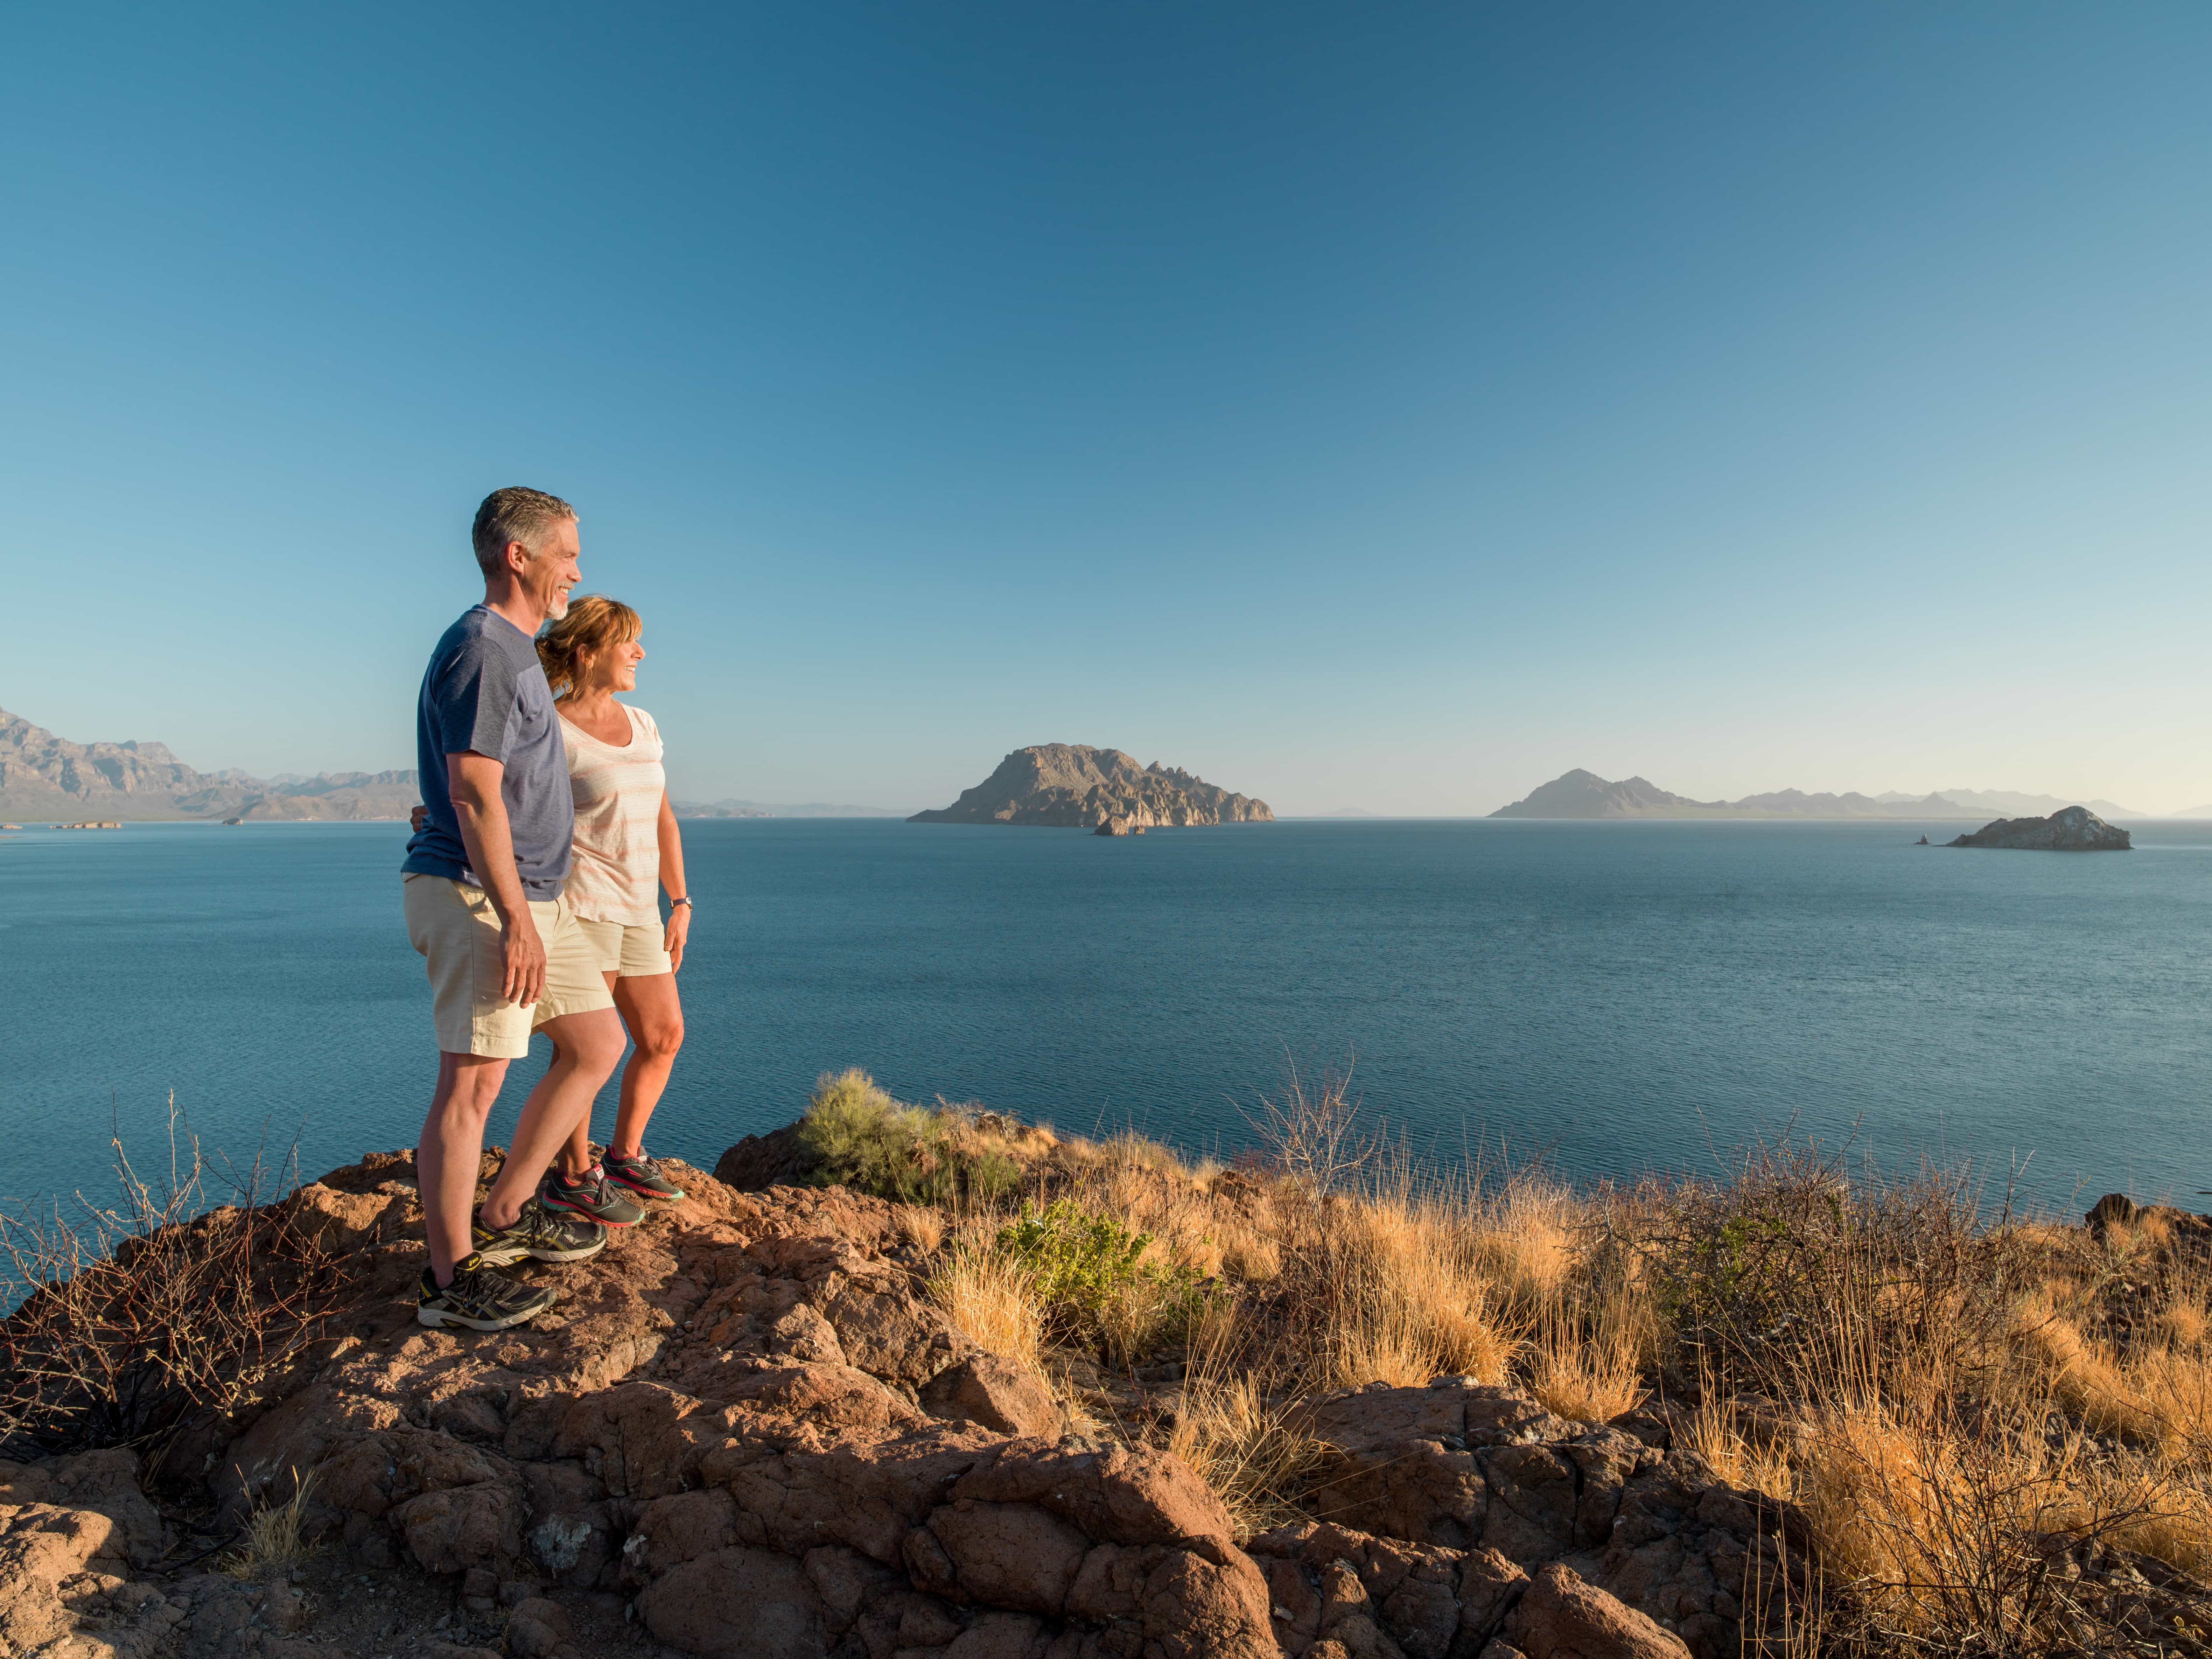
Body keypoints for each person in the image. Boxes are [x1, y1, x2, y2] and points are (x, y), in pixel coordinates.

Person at [400, 487, 629, 1332]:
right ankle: (450, 1281)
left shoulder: (518, 651)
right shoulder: (484, 646)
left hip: (532, 895)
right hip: (482, 897)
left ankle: (505, 1211)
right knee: (473, 1085)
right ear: (519, 556)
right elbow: (474, 790)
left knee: (597, 1042)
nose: (578, 568)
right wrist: (517, 919)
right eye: (568, 552)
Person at [532, 596, 693, 1212]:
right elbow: (501, 793)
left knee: (663, 1036)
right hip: (580, 911)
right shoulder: (551, 728)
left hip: (641, 912)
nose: (641, 653)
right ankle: (574, 1176)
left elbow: (664, 820)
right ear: (588, 652)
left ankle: (624, 1158)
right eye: (630, 641)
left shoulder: (644, 724)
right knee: (584, 1053)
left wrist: (679, 901)